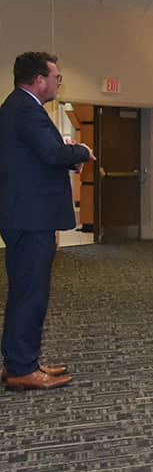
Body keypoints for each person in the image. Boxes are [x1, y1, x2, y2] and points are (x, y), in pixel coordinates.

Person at [0, 51, 93, 390]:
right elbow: (51, 153)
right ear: (39, 80)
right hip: (30, 217)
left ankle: (20, 362)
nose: (58, 83)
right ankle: (22, 368)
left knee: (25, 291)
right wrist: (81, 152)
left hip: (25, 215)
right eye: (56, 77)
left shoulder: (18, 107)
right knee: (30, 293)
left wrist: (66, 156)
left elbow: (37, 157)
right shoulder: (26, 110)